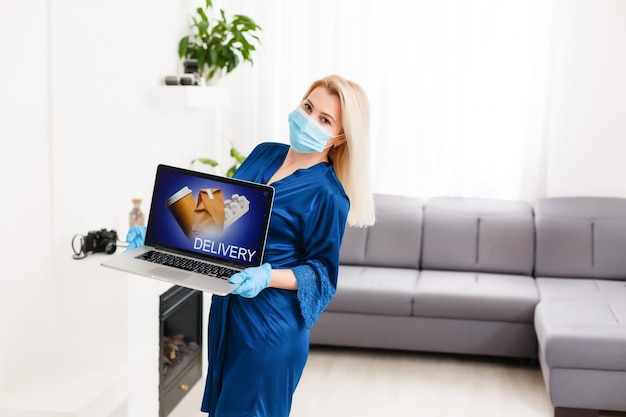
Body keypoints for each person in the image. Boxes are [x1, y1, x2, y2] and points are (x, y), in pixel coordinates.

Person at [126, 74, 375, 416]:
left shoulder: (329, 196)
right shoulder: (264, 154)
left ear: (340, 137)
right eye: (308, 107)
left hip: (270, 326)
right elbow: (217, 216)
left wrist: (266, 275)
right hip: (229, 313)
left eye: (324, 119)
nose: (309, 120)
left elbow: (321, 274)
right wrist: (158, 235)